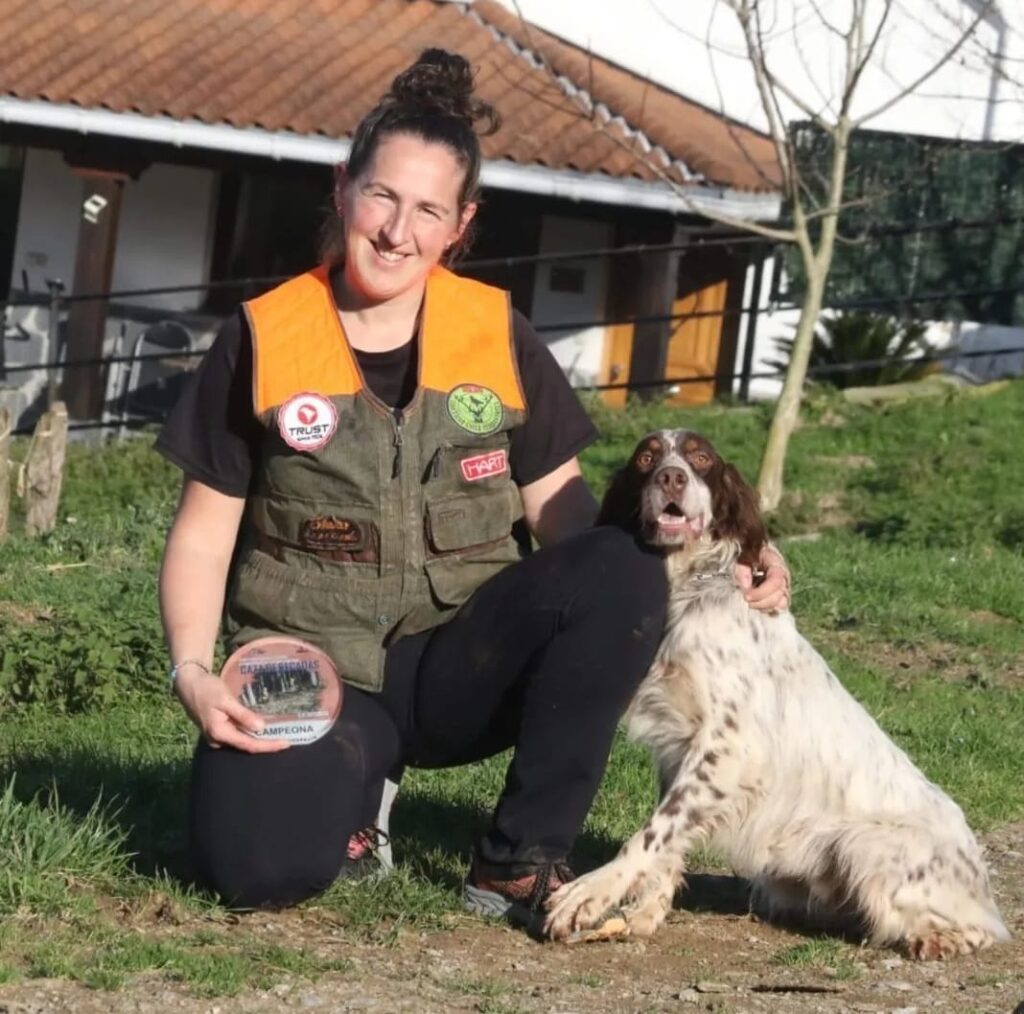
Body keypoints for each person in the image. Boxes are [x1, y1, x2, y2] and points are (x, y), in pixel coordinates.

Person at [156, 48, 790, 924]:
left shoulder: (497, 332)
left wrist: (733, 554)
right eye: (380, 196)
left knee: (620, 568)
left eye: (427, 210)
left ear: (461, 223)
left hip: (464, 663)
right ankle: (357, 796)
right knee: (256, 872)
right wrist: (193, 673)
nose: (394, 231)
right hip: (317, 669)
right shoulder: (262, 336)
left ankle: (517, 860)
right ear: (343, 189)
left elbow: (572, 519)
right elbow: (201, 535)